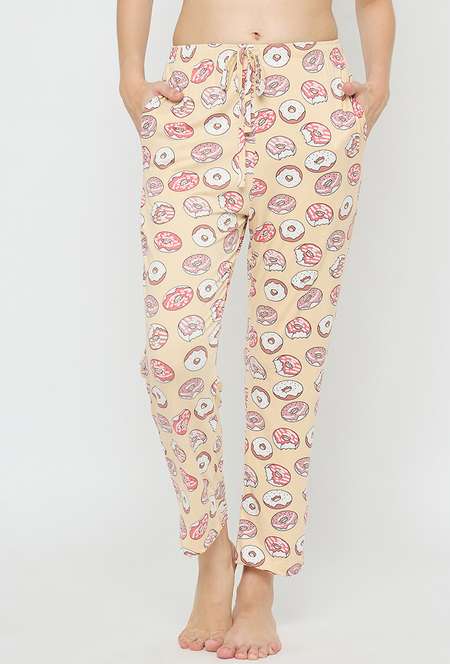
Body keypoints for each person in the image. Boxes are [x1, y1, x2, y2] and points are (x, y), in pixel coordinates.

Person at [117, 0, 395, 658]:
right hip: (196, 99)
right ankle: (212, 550)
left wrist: (379, 82)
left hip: (312, 100)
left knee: (290, 357)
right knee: (173, 355)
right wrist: (131, 76)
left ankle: (262, 577)